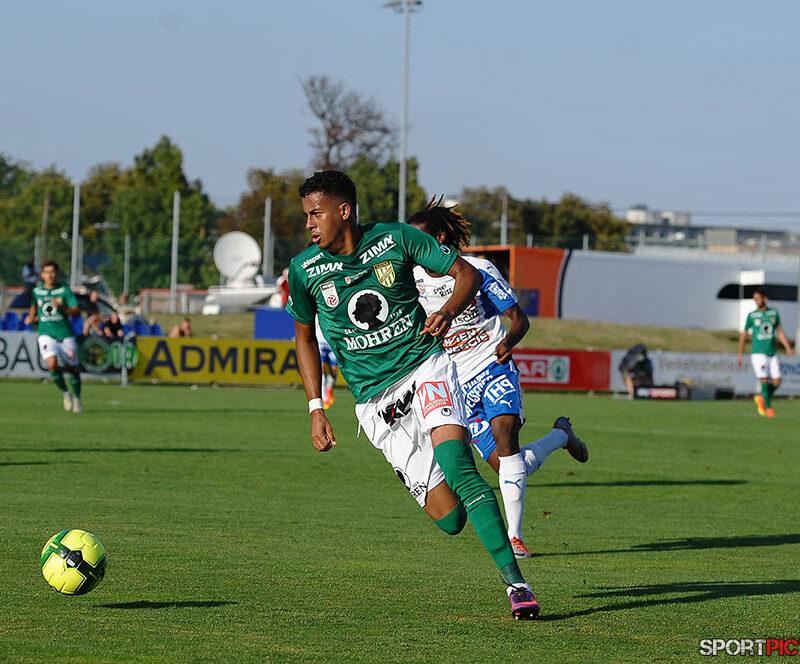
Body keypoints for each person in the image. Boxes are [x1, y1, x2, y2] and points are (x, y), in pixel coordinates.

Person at [286, 170, 540, 620]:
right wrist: (315, 408)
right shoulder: (305, 270)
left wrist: (446, 311)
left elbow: (464, 273)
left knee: (460, 468)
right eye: (306, 215)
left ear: (344, 211)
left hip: (426, 368)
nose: (309, 223)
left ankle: (516, 583)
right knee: (450, 518)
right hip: (376, 406)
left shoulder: (397, 239)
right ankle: (481, 505)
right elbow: (304, 338)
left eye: (315, 213)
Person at [409, 199, 588, 559]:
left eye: (421, 240)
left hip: (492, 365)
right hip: (453, 384)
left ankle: (515, 537)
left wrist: (508, 341)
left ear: (440, 237)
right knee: (511, 463)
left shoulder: (477, 270)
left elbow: (518, 318)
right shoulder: (410, 282)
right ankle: (560, 435)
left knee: (506, 435)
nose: (415, 250)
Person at [24, 261, 84, 413]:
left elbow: (76, 311)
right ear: (42, 274)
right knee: (51, 364)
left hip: (65, 334)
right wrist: (31, 317)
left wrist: (62, 308)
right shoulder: (37, 291)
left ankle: (76, 398)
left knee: (73, 369)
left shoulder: (64, 290)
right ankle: (66, 393)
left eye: (52, 272)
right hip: (46, 334)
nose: (49, 275)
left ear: (56, 274)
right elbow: (33, 307)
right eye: (46, 272)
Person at [737, 286, 794, 417]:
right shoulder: (752, 316)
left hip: (772, 352)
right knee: (764, 380)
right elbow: (744, 335)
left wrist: (787, 347)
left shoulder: (773, 313)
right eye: (754, 298)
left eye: (758, 298)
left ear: (765, 298)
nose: (756, 300)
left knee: (776, 382)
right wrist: (740, 354)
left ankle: (762, 398)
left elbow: (779, 331)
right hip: (758, 352)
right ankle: (768, 409)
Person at [315, 316, 338, 409]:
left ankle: (329, 389)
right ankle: (324, 397)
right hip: (320, 342)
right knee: (321, 369)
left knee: (334, 371)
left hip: (331, 342)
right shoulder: (315, 309)